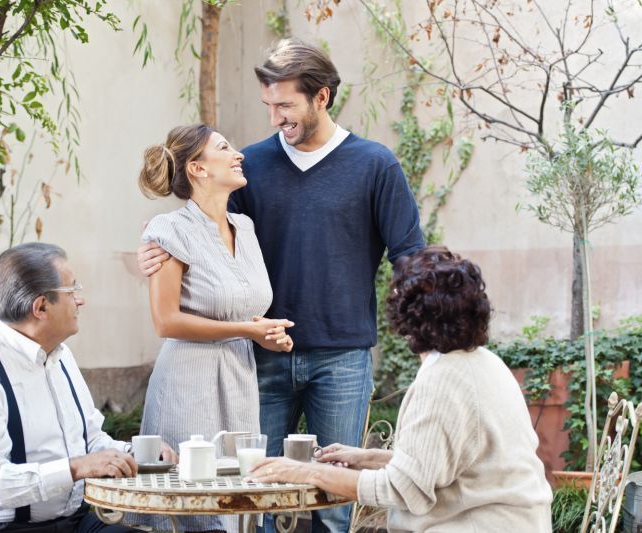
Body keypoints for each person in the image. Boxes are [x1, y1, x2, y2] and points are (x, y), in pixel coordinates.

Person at [138, 39, 424, 532]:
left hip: (343, 357)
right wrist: (156, 250)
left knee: (334, 501)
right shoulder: (251, 168)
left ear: (322, 98)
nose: (275, 118)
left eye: (285, 105)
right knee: (256, 498)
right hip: (259, 359)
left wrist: (430, 342)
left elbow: (410, 259)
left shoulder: (375, 165)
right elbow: (208, 239)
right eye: (268, 106)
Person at [248, 246, 554, 532]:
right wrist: (366, 457)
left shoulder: (443, 380)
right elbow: (440, 467)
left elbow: (405, 489)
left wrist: (303, 472)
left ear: (407, 316)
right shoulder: (484, 364)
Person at [0, 243, 177, 533]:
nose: (80, 300)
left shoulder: (60, 357)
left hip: (70, 521)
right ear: (41, 306)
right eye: (72, 290)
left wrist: (133, 453)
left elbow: (90, 440)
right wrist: (75, 468)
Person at [131, 124, 294, 532]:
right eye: (225, 147)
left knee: (236, 502)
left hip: (239, 378)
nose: (239, 154)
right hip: (189, 382)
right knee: (192, 503)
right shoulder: (168, 230)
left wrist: (269, 336)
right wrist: (248, 330)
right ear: (197, 168)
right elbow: (165, 321)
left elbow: (247, 312)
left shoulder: (246, 228)